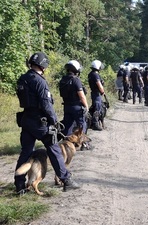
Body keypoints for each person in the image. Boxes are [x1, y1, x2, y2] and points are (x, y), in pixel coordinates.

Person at [15, 52, 80, 195]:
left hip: (26, 119)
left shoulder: (23, 78)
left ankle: (19, 185)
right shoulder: (39, 81)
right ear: (43, 65)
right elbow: (46, 104)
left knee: (26, 151)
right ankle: (66, 180)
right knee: (54, 148)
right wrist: (54, 121)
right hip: (40, 122)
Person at [59, 60, 89, 136]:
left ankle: (67, 144)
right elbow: (81, 95)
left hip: (66, 106)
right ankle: (83, 143)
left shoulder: (63, 79)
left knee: (68, 126)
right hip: (77, 107)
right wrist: (86, 106)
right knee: (82, 125)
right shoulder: (76, 80)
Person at [88, 60, 105, 130]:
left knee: (95, 107)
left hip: (94, 93)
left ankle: (93, 123)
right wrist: (102, 91)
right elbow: (99, 84)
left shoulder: (90, 74)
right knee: (97, 108)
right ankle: (95, 124)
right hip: (96, 93)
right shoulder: (95, 75)